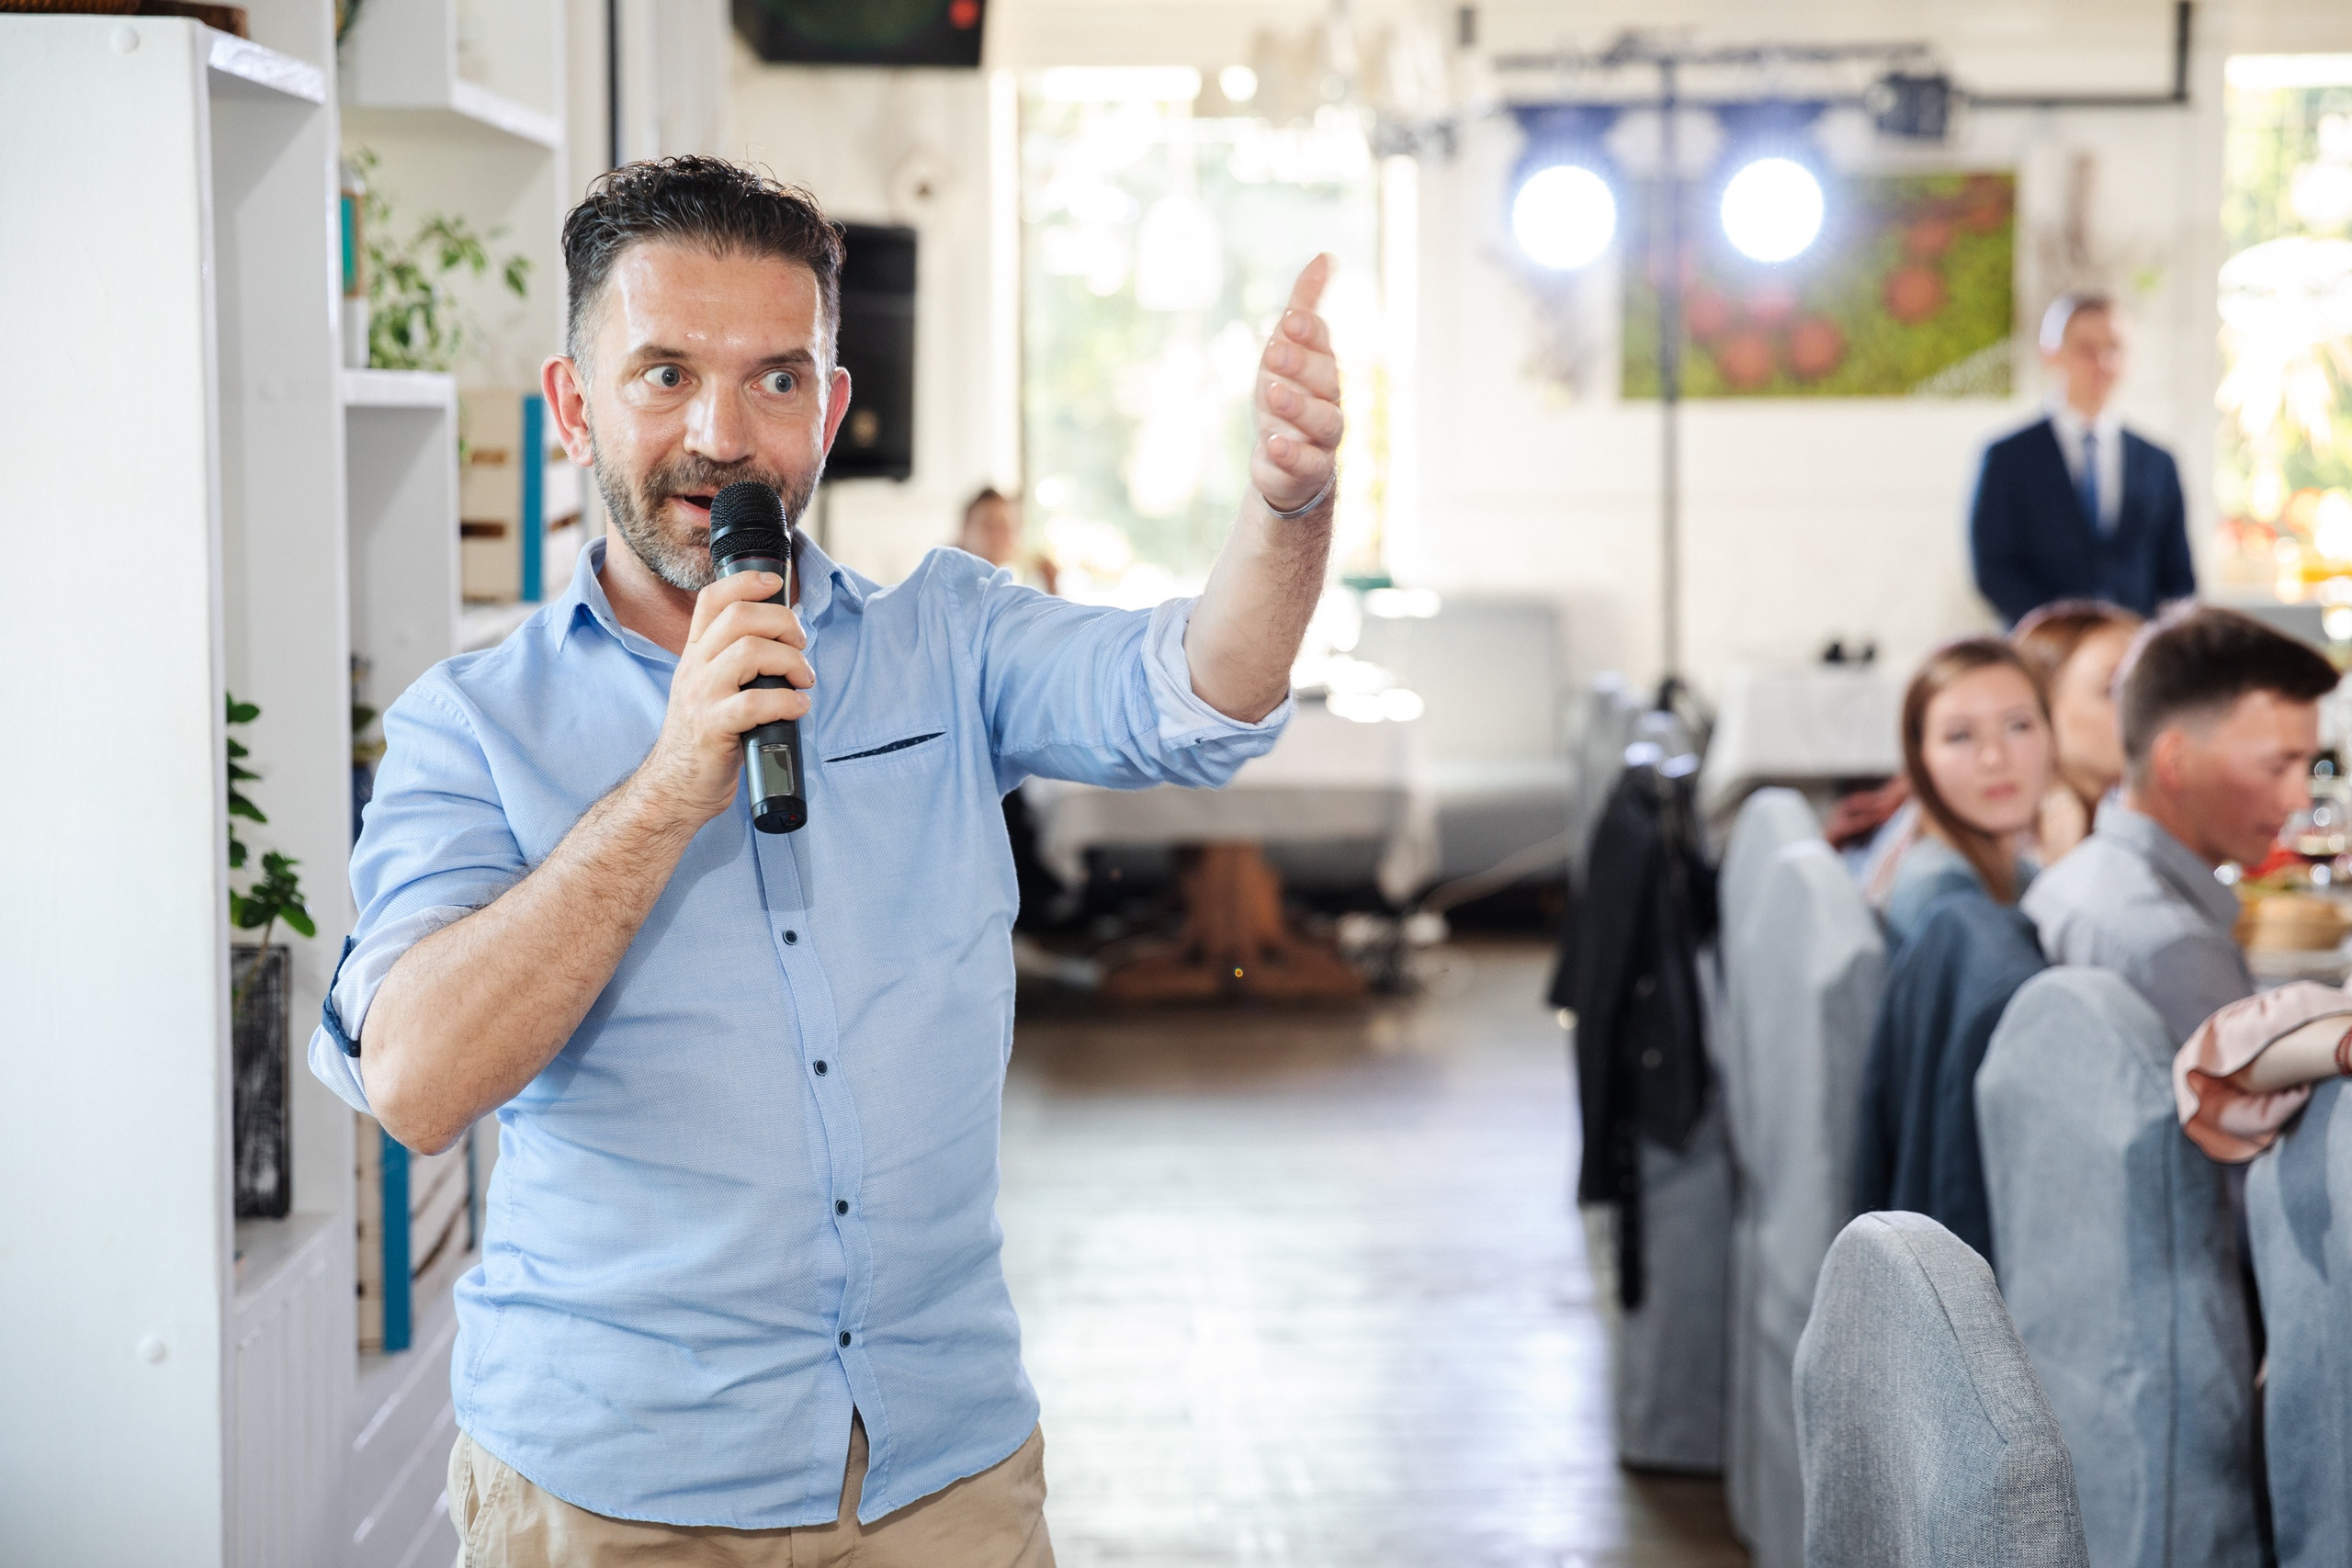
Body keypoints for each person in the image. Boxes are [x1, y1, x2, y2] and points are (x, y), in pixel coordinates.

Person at [305, 156, 1347, 1561]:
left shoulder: (951, 639)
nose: (720, 435)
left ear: (833, 409)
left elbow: (1200, 691)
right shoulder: (471, 726)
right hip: (619, 1488)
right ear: (573, 404)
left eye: (777, 381)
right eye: (663, 373)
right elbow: (417, 1082)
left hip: (946, 1474)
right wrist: (672, 785)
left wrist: (1287, 512)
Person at [2023, 605, 2338, 1045]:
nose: (2299, 799)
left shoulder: (2077, 873)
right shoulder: (2174, 947)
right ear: (2177, 763)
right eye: (2277, 766)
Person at [1969, 293, 2195, 626]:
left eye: (2113, 349)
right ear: (2052, 355)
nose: (2101, 363)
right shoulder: (2007, 458)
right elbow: (1993, 567)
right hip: (2043, 652)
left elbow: (2178, 575)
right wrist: (2059, 634)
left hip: (2134, 654)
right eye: (2086, 349)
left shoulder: (2158, 461)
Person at [1866, 637, 2054, 945]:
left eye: (2018, 726)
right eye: (1961, 736)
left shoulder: (2018, 871)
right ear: (1920, 756)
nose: (1995, 757)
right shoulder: (1943, 894)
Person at [2012, 599, 2143, 863]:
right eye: (2114, 689)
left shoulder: (2124, 817)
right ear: (2041, 709)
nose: (2145, 706)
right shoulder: (2018, 845)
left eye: (2147, 686)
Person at [958, 486, 1059, 594]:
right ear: (965, 530)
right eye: (989, 525)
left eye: (1005, 526)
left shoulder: (1010, 587)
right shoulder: (951, 587)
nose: (997, 535)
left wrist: (1051, 586)